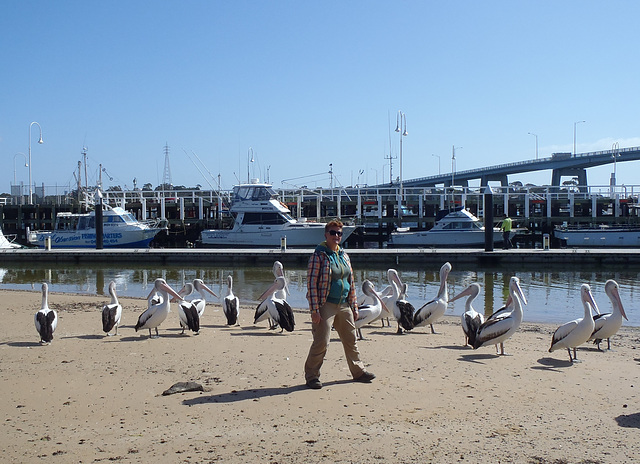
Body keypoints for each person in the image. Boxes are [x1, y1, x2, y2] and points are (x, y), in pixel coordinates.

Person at [304, 220, 375, 389]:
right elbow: (311, 283)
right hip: (325, 304)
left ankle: (358, 371)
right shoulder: (319, 256)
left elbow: (350, 282)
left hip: (344, 304)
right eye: (333, 233)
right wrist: (314, 309)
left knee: (351, 339)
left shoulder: (344, 255)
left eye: (339, 233)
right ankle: (312, 376)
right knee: (321, 342)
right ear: (326, 235)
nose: (336, 236)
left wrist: (354, 305)